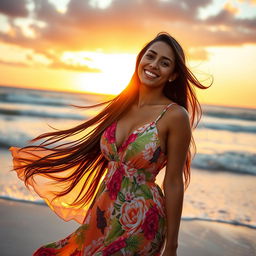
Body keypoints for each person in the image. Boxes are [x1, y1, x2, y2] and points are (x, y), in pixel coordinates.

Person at [9, 32, 209, 256]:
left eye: (164, 63)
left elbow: (173, 182)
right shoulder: (121, 106)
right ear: (140, 60)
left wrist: (172, 246)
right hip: (102, 215)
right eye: (150, 56)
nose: (153, 65)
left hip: (141, 221)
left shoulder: (174, 115)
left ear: (172, 75)